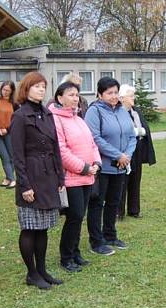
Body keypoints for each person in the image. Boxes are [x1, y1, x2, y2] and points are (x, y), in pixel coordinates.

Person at [10, 72, 65, 289]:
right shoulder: (20, 116)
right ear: (26, 89)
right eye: (36, 86)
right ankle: (31, 273)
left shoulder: (47, 113)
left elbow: (56, 148)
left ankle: (42, 270)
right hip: (31, 176)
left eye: (43, 86)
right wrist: (24, 185)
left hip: (49, 176)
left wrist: (60, 175)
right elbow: (17, 155)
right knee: (30, 227)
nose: (41, 90)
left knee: (43, 228)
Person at [49, 81, 101, 272]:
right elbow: (61, 152)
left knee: (80, 216)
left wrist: (96, 163)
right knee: (75, 216)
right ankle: (66, 256)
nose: (75, 98)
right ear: (59, 98)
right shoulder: (55, 119)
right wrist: (84, 168)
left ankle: (76, 252)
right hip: (71, 178)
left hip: (88, 175)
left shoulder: (79, 118)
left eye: (77, 95)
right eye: (70, 94)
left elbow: (92, 144)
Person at [84, 77, 136, 255]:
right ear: (100, 94)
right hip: (103, 166)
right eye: (109, 93)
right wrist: (118, 155)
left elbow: (131, 135)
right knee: (97, 203)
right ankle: (96, 241)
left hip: (120, 166)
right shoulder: (94, 111)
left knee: (114, 202)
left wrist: (126, 156)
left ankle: (110, 235)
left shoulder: (123, 111)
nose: (113, 96)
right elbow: (95, 138)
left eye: (116, 92)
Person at [117, 84, 156, 219]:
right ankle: (118, 212)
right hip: (123, 151)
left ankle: (134, 210)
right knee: (122, 181)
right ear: (121, 98)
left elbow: (144, 128)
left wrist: (140, 131)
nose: (133, 98)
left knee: (135, 180)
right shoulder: (117, 112)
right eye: (131, 96)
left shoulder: (135, 111)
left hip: (137, 151)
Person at [0, 81, 18, 188]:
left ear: (12, 92)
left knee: (12, 157)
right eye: (4, 89)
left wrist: (7, 129)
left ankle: (8, 178)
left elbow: (16, 119)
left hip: (9, 133)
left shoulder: (14, 103)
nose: (5, 92)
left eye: (8, 91)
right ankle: (12, 180)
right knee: (4, 157)